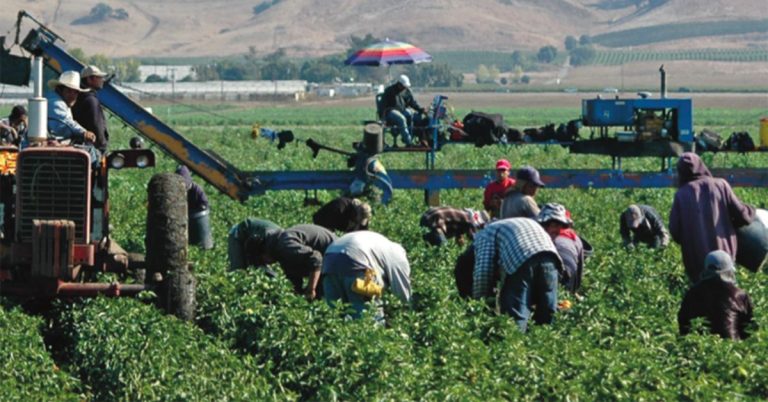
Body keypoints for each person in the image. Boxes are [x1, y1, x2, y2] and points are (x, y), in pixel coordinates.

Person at [669, 152, 754, 282]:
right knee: (727, 295)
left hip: (696, 261)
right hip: (724, 256)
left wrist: (691, 240)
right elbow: (742, 216)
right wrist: (751, 209)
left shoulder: (681, 195)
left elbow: (675, 231)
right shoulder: (721, 185)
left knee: (703, 297)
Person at [469, 218, 562, 332]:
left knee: (517, 314)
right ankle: (545, 344)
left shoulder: (484, 235)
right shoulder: (518, 222)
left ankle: (515, 345)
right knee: (547, 310)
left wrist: (480, 304)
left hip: (521, 258)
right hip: (550, 257)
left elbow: (483, 272)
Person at [322, 230, 411, 320]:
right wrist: (405, 314)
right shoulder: (399, 257)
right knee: (368, 317)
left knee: (335, 315)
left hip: (329, 260)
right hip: (356, 259)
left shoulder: (384, 244)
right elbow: (401, 292)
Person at [678, 250, 754, 340]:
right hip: (731, 348)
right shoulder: (739, 294)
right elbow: (749, 327)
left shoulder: (692, 293)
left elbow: (683, 323)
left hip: (697, 346)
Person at [252, 224, 338, 301]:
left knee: (323, 298)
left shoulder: (285, 246)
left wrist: (311, 289)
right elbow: (293, 274)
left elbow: (316, 259)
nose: (266, 264)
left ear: (264, 253)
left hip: (336, 255)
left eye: (262, 260)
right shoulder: (278, 250)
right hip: (329, 258)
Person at [45, 71, 100, 164]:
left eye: (75, 92)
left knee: (95, 153)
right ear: (61, 90)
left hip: (59, 141)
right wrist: (84, 132)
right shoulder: (56, 103)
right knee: (92, 153)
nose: (73, 95)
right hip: (52, 144)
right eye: (69, 91)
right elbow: (67, 121)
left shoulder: (63, 103)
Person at [537, 203, 587, 293]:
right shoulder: (574, 237)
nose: (552, 229)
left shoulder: (558, 245)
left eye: (556, 225)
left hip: (563, 279)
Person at [379, 74, 427, 146]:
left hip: (402, 111)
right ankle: (408, 142)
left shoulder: (406, 91)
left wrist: (420, 110)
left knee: (414, 116)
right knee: (401, 118)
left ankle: (419, 138)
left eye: (405, 86)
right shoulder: (389, 91)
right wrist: (383, 118)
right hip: (390, 112)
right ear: (399, 84)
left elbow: (412, 102)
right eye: (403, 86)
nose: (404, 88)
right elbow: (382, 106)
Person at [72, 65, 110, 153]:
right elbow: (97, 126)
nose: (102, 80)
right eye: (99, 77)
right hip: (93, 149)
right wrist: (102, 147)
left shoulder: (78, 98)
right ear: (89, 79)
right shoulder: (91, 100)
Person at [175, 165, 213, 249]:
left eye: (186, 187)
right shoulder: (177, 191)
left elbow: (205, 203)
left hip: (196, 216)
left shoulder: (197, 189)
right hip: (185, 215)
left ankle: (203, 245)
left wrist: (199, 209)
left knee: (200, 239)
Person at [419, 206, 489, 246]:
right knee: (444, 247)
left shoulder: (464, 214)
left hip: (425, 217)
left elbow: (459, 237)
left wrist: (460, 243)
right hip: (436, 221)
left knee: (428, 243)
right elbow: (474, 240)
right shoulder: (469, 222)